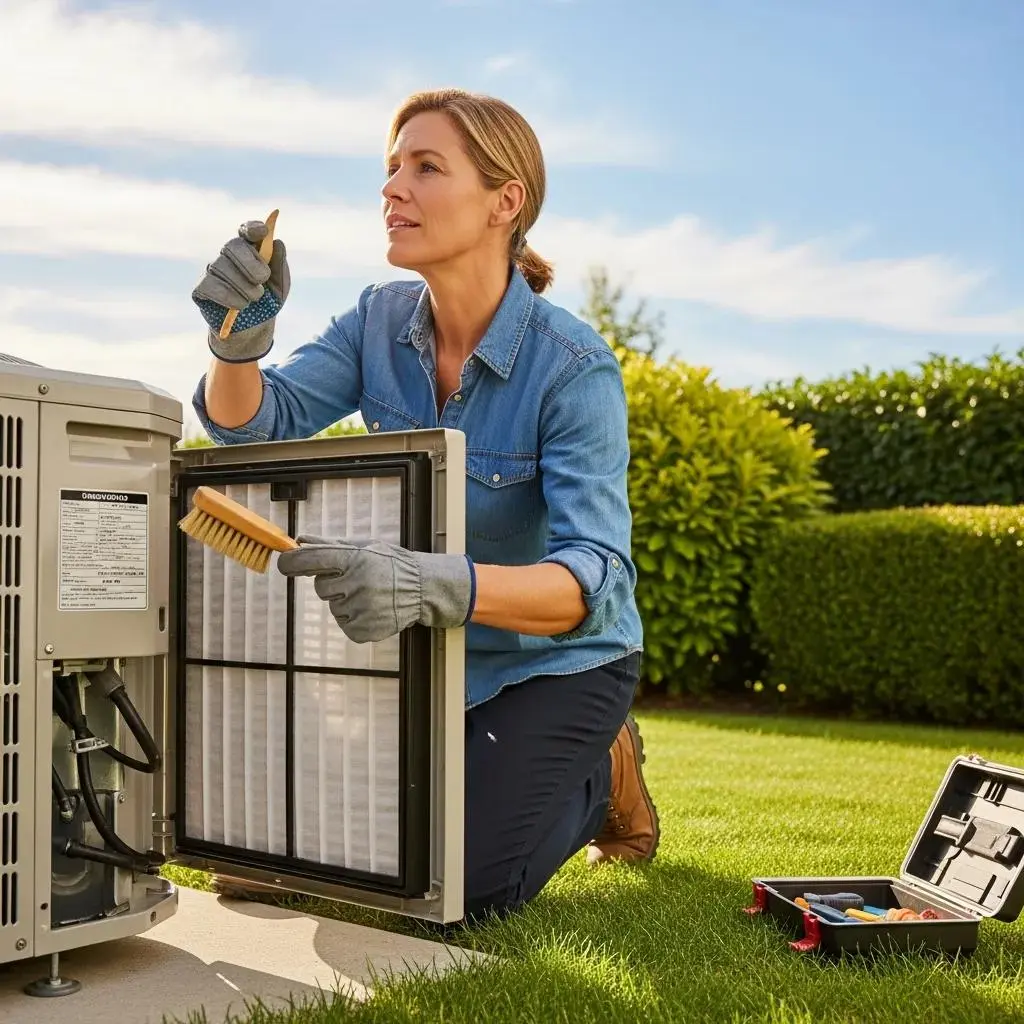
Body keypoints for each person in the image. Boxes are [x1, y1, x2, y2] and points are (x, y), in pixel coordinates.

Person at [190, 88, 659, 922]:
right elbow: (251, 423)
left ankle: (602, 773)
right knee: (284, 852)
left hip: (554, 661)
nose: (392, 188)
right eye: (392, 168)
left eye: (426, 167)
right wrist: (237, 343)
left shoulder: (572, 367)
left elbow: (592, 580)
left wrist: (431, 585)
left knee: (456, 886)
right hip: (424, 652)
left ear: (504, 202)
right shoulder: (376, 321)